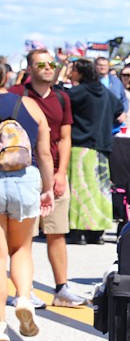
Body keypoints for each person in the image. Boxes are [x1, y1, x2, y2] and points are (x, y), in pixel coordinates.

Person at [10, 49, 84, 306]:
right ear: (29, 69)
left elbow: (65, 138)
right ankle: (24, 289)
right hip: (24, 173)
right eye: (40, 64)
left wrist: (61, 172)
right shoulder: (17, 95)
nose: (48, 67)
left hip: (53, 173)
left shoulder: (62, 98)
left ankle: (62, 288)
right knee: (24, 237)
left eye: (51, 63)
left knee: (58, 232)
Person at [0, 90, 54, 341]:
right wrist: (48, 188)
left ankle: (0, 324)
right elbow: (44, 153)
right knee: (21, 248)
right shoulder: (29, 105)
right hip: (25, 179)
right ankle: (23, 298)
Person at [65, 58, 122, 243]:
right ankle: (96, 233)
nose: (71, 72)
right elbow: (119, 108)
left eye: (73, 69)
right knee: (100, 192)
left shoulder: (77, 92)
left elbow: (62, 101)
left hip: (81, 146)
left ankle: (77, 231)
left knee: (80, 190)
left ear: (80, 73)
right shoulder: (105, 91)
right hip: (103, 147)